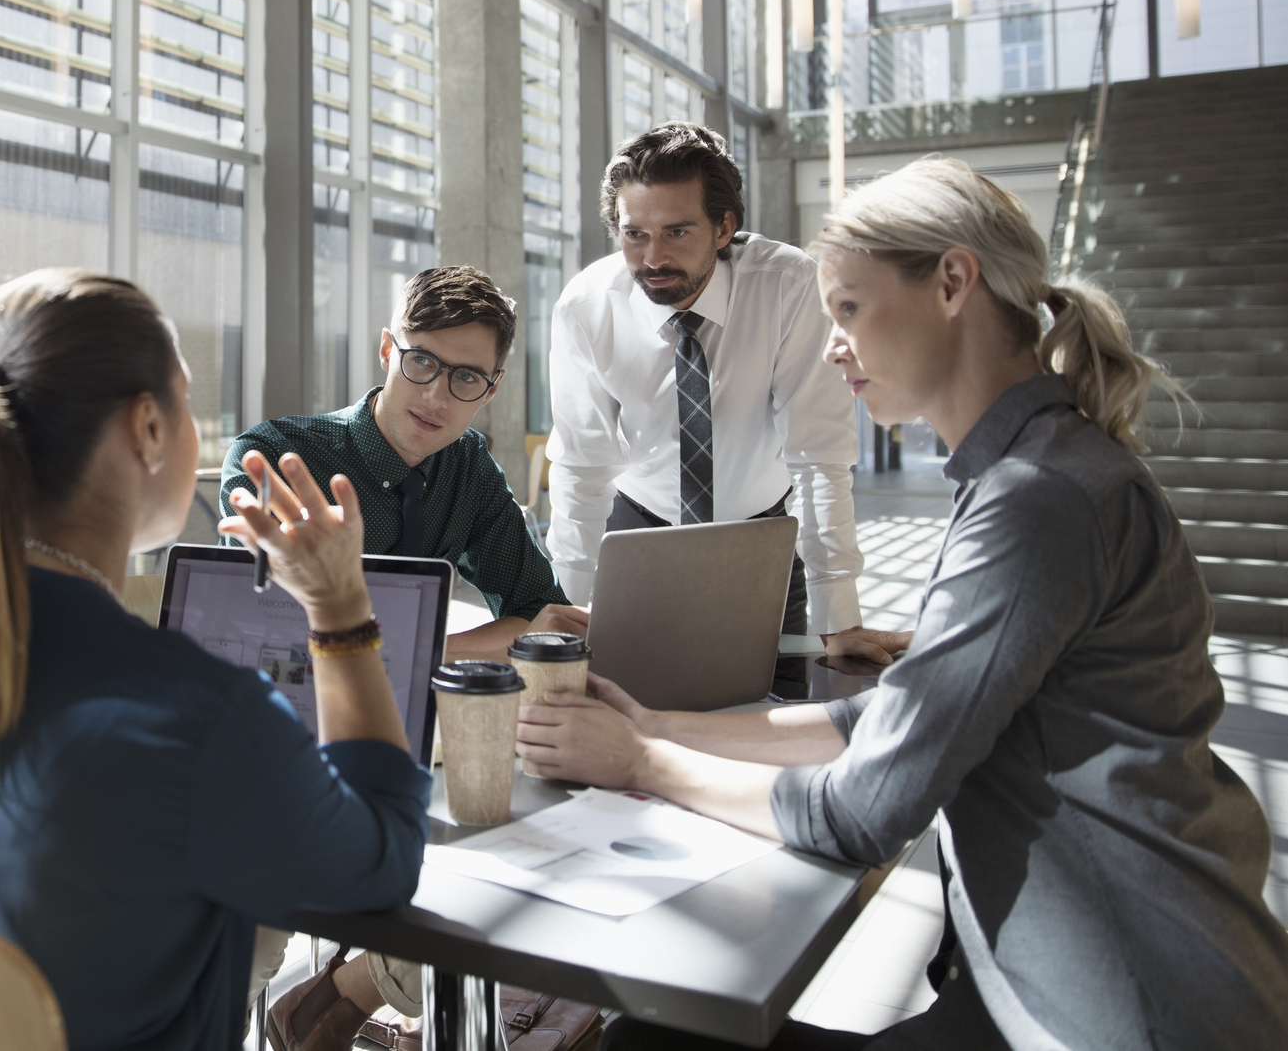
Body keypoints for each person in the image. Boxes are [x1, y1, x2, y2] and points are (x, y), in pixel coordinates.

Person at [516, 158, 1288, 1049]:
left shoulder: (1036, 500)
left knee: (650, 1041)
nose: (830, 341)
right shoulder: (1033, 474)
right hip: (1056, 990)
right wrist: (654, 723)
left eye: (846, 308)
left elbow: (863, 810)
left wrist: (641, 763)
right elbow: (891, 721)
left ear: (952, 282)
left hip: (1119, 1010)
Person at [0, 270, 429, 1051]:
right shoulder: (199, 715)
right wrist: (338, 611)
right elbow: (380, 864)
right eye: (188, 402)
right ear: (147, 429)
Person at [225, 265, 585, 1050]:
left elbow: (536, 613)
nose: (435, 395)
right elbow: (284, 634)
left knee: (540, 867)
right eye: (419, 361)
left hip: (422, 737)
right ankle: (280, 1007)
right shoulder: (284, 455)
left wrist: (406, 652)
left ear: (488, 390)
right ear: (388, 348)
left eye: (464, 379)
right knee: (238, 943)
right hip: (287, 735)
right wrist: (402, 649)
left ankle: (354, 990)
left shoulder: (468, 471)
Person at [547, 122, 903, 672]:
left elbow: (818, 457)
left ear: (723, 228)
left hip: (761, 540)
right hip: (640, 534)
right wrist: (568, 608)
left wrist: (841, 618)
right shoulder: (587, 306)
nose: (652, 258)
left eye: (677, 232)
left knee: (768, 707)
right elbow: (581, 464)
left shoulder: (787, 287)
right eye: (634, 233)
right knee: (628, 715)